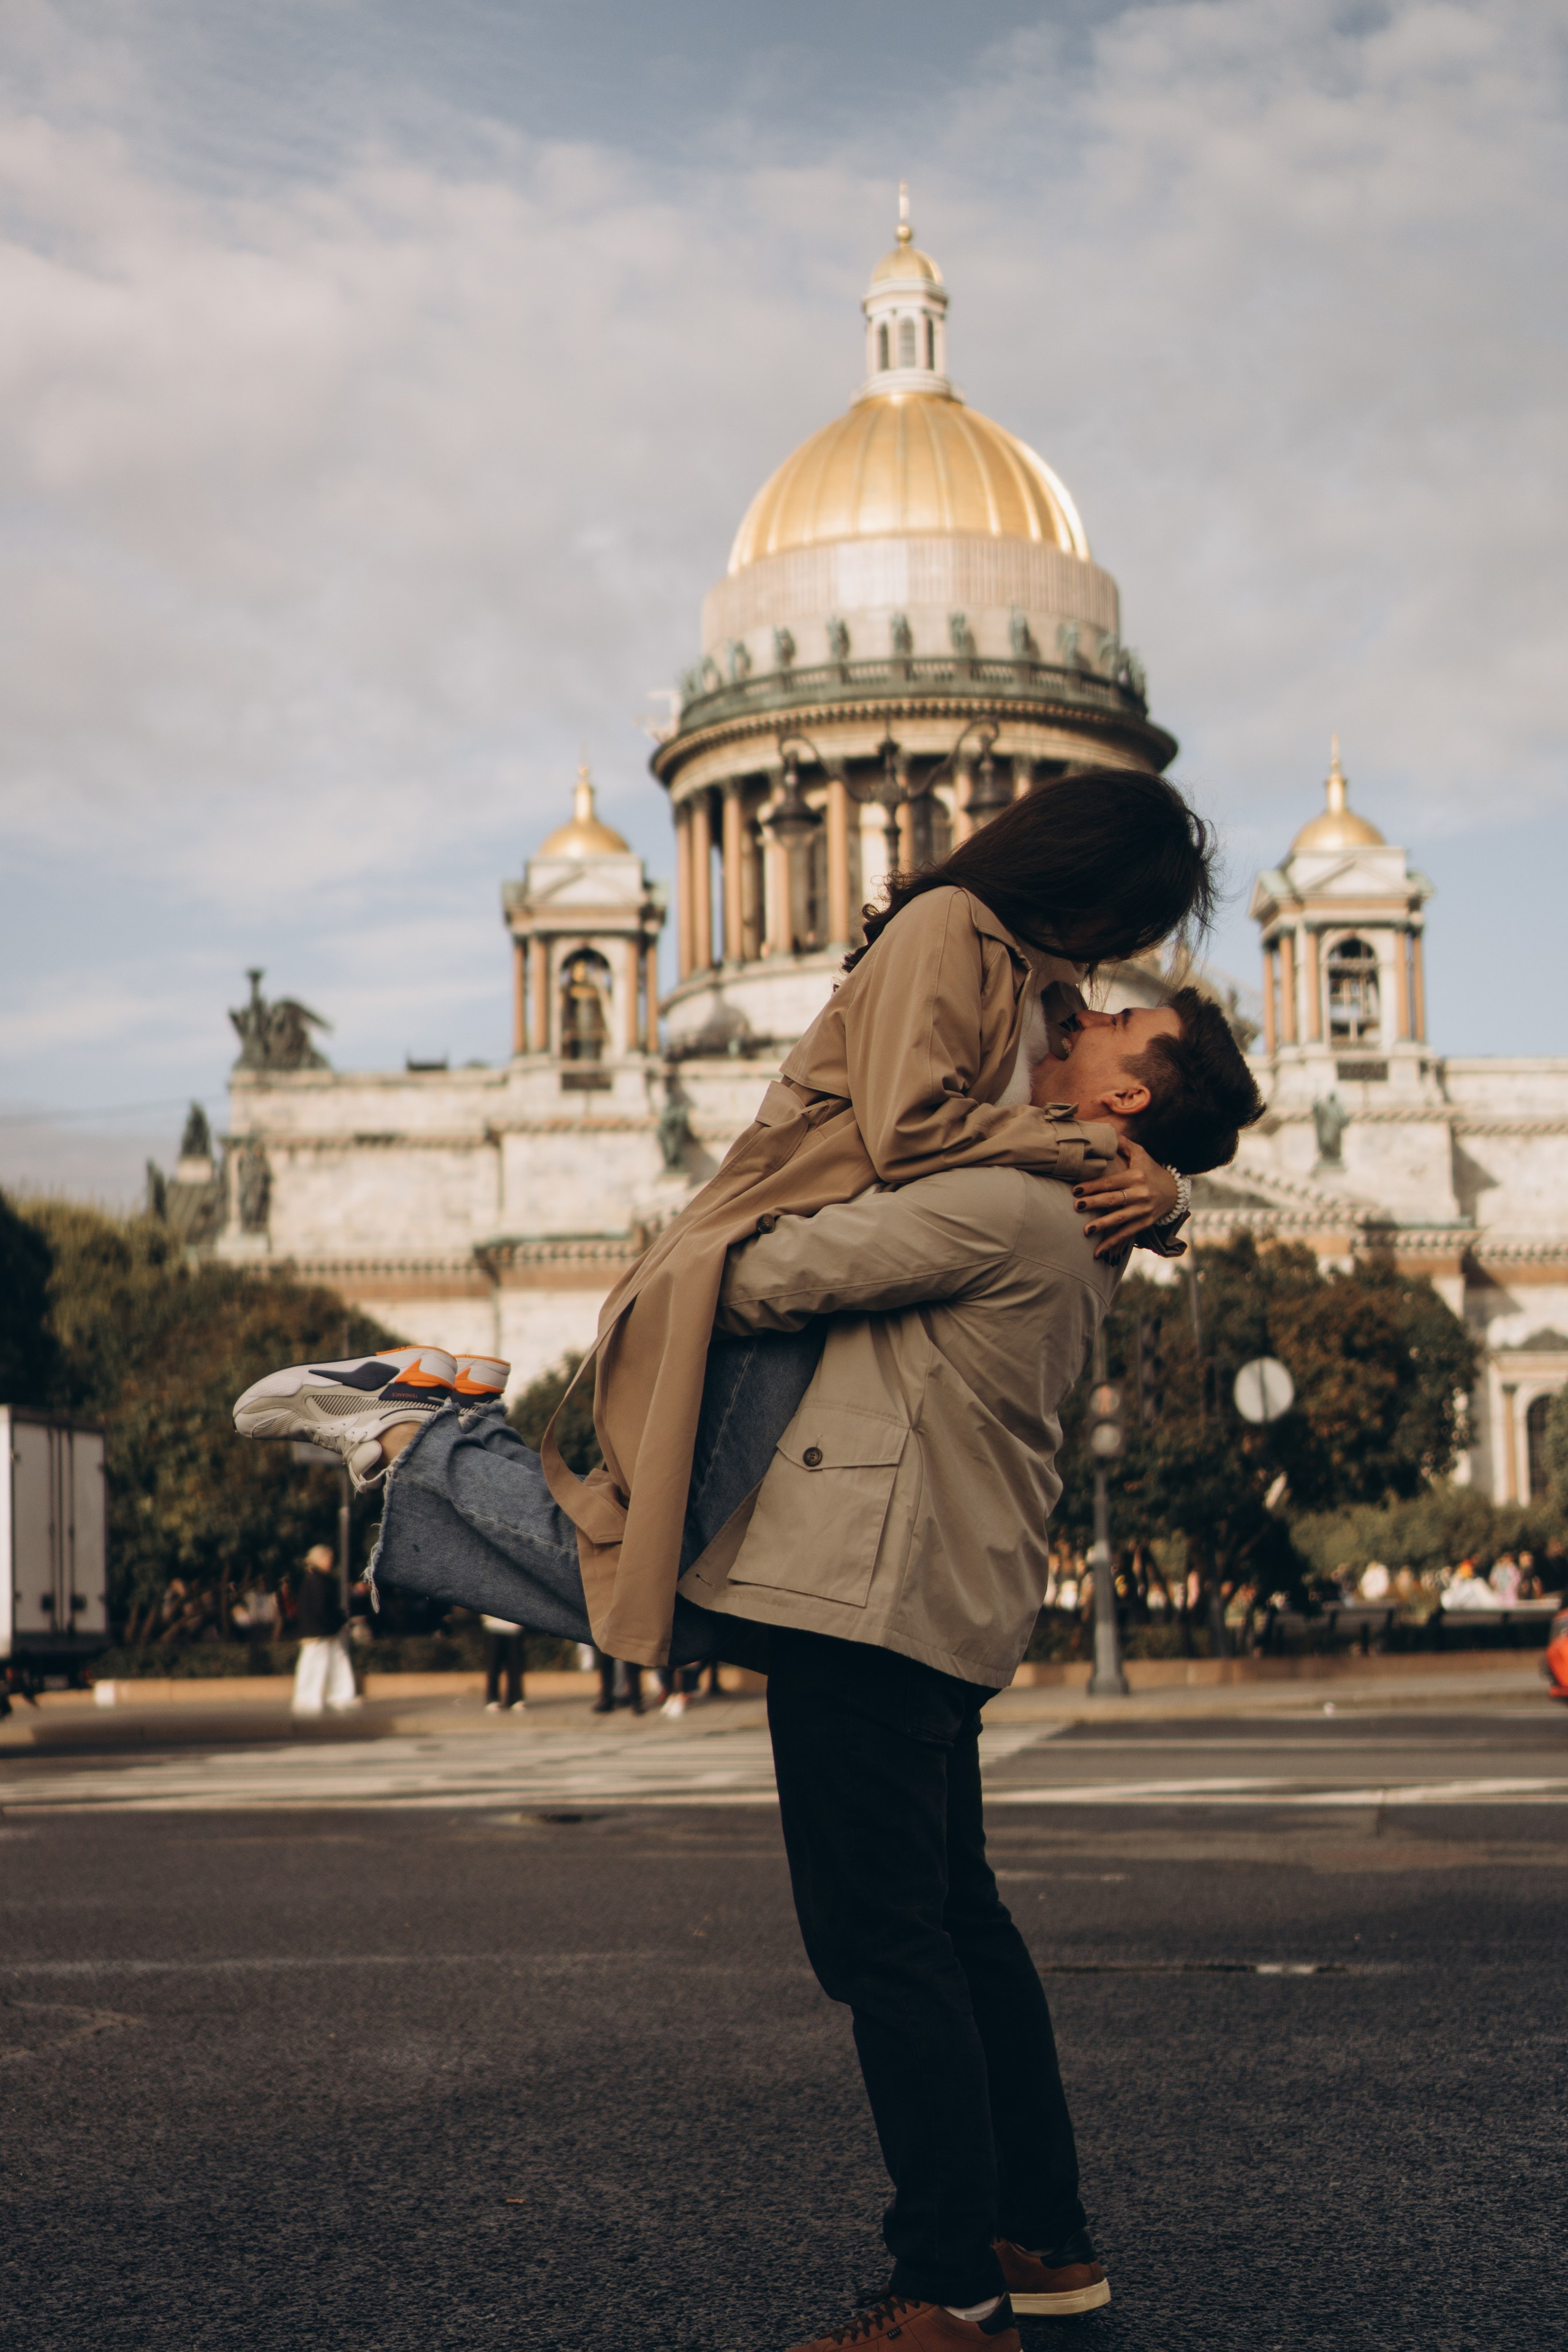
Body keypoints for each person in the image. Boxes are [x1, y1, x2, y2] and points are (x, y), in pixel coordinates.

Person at [232, 988, 1262, 2350]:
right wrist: (1162, 1187)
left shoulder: (1014, 1196)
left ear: (1128, 1095)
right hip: (936, 1592)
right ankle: (1039, 2244)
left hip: (868, 1592)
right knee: (957, 1929)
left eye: (1122, 1019)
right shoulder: (1085, 1197)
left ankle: (945, 2292)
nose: (1082, 1007)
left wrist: (762, 1200)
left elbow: (767, 1276)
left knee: (880, 1944)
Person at [536, 772, 1219, 1669]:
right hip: (790, 1240)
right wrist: (1084, 1148)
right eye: (1129, 917)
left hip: (876, 1289)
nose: (1122, 952)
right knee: (645, 1548)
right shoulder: (947, 926)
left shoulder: (1051, 981)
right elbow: (910, 1131)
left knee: (699, 1578)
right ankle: (423, 1444)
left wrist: (1171, 1189)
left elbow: (1113, 1122)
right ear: (1086, 871)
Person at [290, 1544, 360, 1715]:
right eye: (328, 1558)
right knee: (315, 1664)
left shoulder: (315, 1579)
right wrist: (337, 1622)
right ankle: (310, 1699)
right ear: (319, 1559)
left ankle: (336, 1696)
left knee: (328, 1662)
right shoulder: (317, 1581)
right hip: (320, 1631)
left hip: (321, 1630)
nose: (331, 1562)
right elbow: (321, 1609)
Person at [481, 1614, 526, 1712]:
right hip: (493, 1626)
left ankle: (515, 1699)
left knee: (515, 1664)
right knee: (493, 1665)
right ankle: (492, 1699)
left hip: (514, 1627)